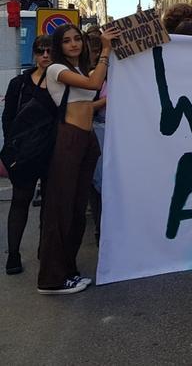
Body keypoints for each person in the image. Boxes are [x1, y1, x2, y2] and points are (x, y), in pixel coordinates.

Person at [37, 24, 117, 294]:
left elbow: (86, 103)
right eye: (67, 41)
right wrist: (105, 49)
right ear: (58, 46)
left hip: (85, 140)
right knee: (61, 210)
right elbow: (95, 85)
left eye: (77, 39)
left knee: (75, 211)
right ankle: (52, 278)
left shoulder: (80, 69)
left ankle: (68, 271)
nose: (73, 44)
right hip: (69, 140)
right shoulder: (55, 69)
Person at [3, 35, 53, 274]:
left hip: (51, 152)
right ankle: (13, 254)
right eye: (40, 51)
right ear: (34, 54)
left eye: (49, 51)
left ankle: (45, 252)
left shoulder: (62, 81)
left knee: (49, 205)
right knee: (20, 202)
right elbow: (8, 118)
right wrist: (12, 149)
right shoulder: (19, 83)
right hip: (24, 155)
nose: (45, 55)